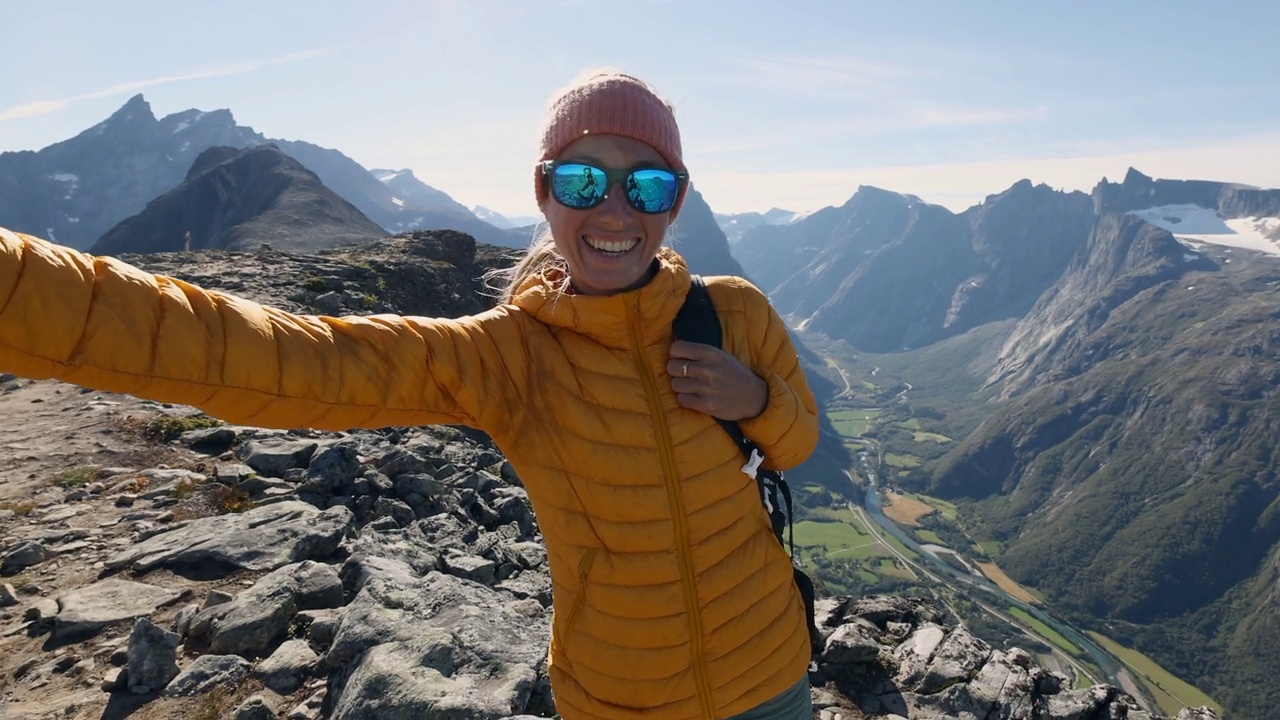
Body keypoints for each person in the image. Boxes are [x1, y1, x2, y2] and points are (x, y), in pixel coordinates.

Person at [0, 70, 819, 719]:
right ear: (543, 192)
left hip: (774, 674)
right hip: (622, 701)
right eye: (581, 181)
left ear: (674, 201)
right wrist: (18, 291)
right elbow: (280, 360)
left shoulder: (733, 312)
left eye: (644, 186)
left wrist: (755, 400)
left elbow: (799, 442)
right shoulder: (510, 356)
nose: (613, 207)